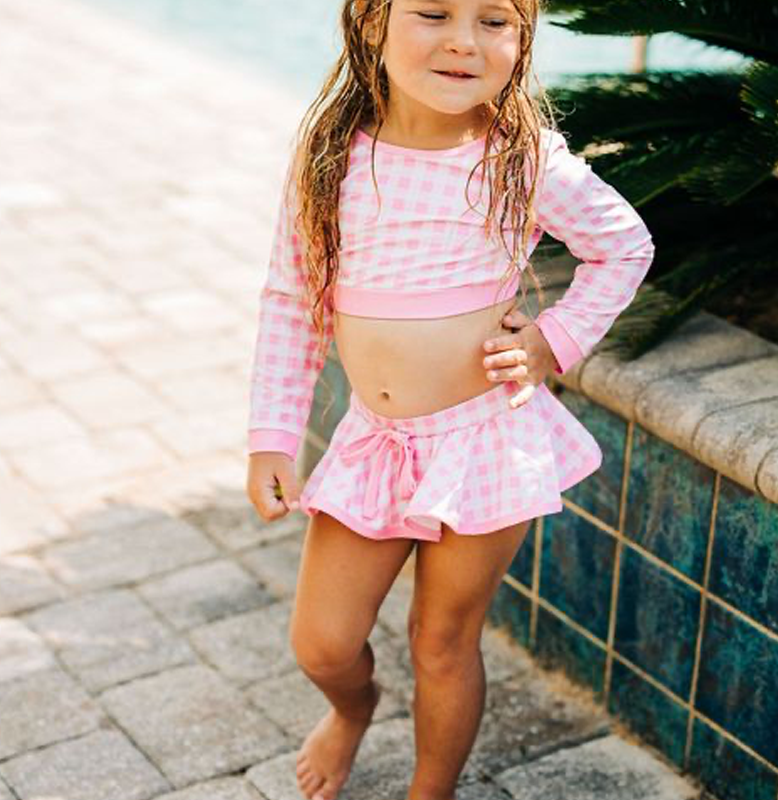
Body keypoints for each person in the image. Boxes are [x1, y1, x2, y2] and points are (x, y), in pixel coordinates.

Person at [246, 1, 655, 798]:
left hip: (483, 442)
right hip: (375, 440)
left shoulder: (522, 162)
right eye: (433, 12)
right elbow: (293, 299)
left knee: (442, 639)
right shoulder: (331, 158)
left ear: (522, 40)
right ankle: (353, 711)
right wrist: (273, 435)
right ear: (371, 22)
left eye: (496, 21)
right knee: (324, 643)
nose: (465, 40)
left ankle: (430, 790)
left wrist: (553, 340)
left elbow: (624, 245)